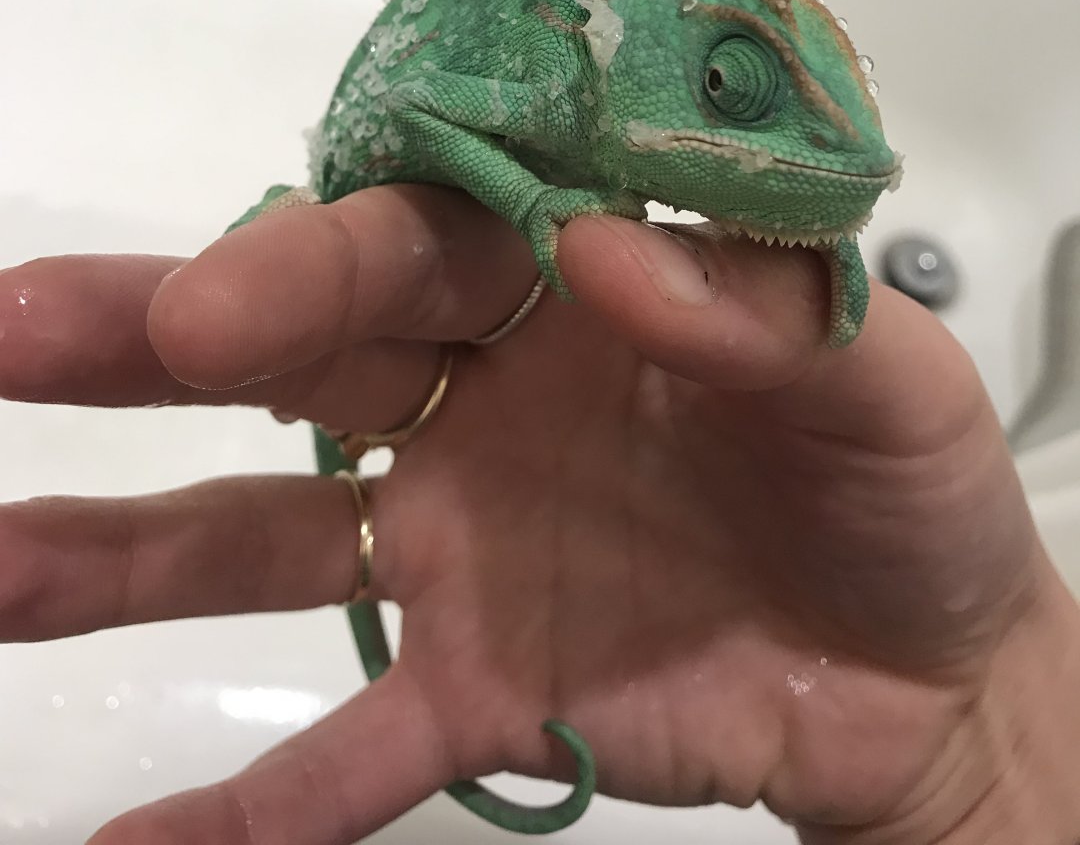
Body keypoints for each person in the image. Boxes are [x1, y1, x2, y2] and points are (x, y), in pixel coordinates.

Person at [2, 184, 1078, 844]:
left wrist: (969, 756)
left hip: (456, 371)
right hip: (382, 319)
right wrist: (966, 764)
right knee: (265, 307)